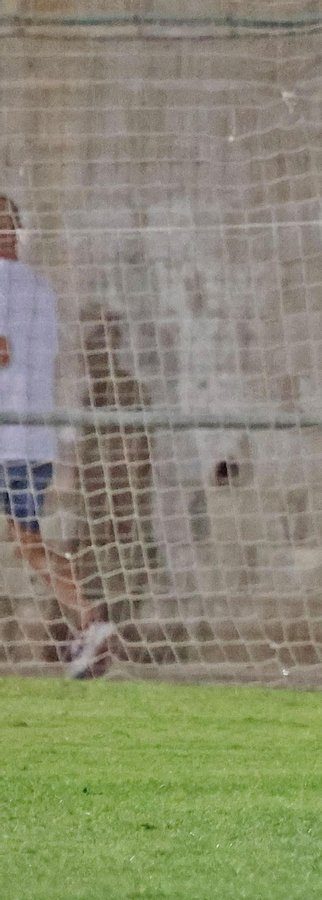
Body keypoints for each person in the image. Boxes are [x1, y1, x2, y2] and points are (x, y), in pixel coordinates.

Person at [0, 195, 109, 679]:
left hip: (10, 438)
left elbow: (4, 353)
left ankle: (91, 622)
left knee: (28, 543)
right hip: (32, 439)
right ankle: (91, 622)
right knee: (28, 544)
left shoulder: (13, 286)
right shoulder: (40, 288)